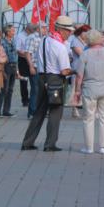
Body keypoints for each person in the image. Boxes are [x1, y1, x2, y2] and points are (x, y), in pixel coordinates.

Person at [21, 16, 76, 152]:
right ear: (61, 30)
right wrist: (75, 70)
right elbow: (64, 71)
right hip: (56, 79)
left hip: (42, 77)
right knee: (55, 112)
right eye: (68, 31)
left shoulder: (44, 40)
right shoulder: (60, 46)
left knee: (39, 111)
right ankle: (50, 144)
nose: (70, 33)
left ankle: (27, 142)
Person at [74, 29, 104, 154]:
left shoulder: (85, 54)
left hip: (89, 89)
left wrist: (77, 91)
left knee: (88, 118)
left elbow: (79, 75)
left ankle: (89, 148)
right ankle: (103, 147)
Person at [24, 24, 46, 118]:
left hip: (43, 68)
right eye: (44, 28)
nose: (46, 29)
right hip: (35, 66)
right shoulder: (32, 37)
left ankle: (39, 110)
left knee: (42, 90)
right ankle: (32, 112)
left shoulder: (44, 38)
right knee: (35, 90)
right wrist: (31, 66)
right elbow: (27, 53)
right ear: (38, 28)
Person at [0, 25, 18, 116]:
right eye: (12, 31)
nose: (14, 32)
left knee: (10, 89)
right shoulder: (3, 42)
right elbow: (2, 55)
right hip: (6, 66)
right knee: (4, 89)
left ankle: (6, 110)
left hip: (14, 65)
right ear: (7, 32)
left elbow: (15, 55)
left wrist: (17, 70)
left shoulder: (13, 41)